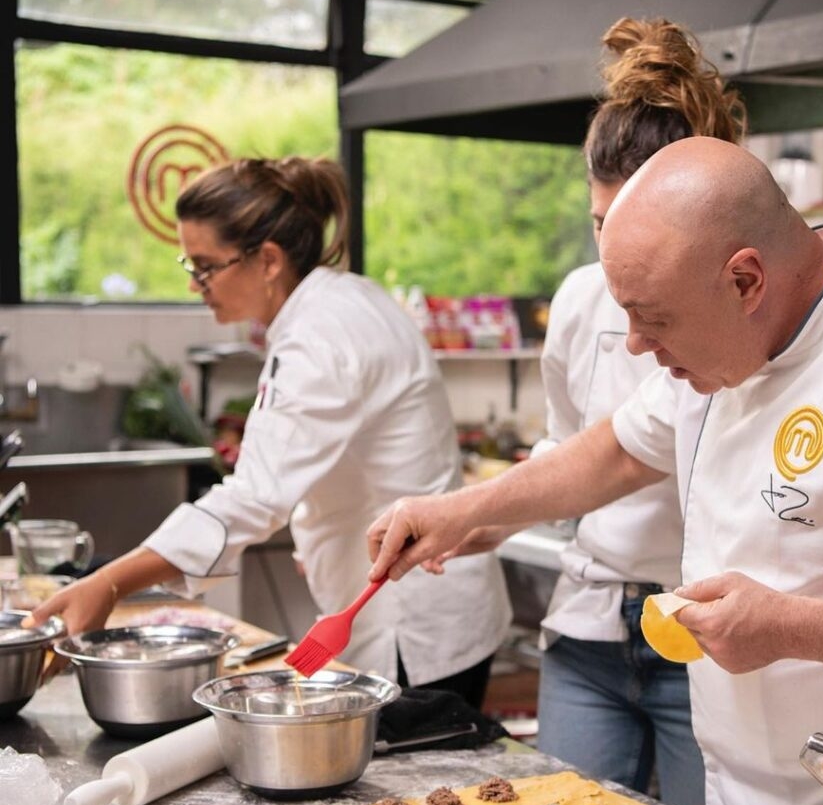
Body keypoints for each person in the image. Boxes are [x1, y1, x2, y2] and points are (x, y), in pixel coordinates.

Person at [368, 137, 823, 805]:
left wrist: (791, 627)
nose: (634, 345)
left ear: (745, 281)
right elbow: (617, 452)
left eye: (653, 318)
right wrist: (458, 512)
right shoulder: (714, 355)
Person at [32, 156, 511, 708]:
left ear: (267, 260)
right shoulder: (346, 298)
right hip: (421, 600)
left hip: (413, 624)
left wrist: (108, 583)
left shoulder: (320, 334)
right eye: (189, 265)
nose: (195, 285)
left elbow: (254, 497)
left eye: (206, 267)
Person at [522, 18, 743, 805]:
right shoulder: (582, 299)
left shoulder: (746, 313)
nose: (616, 259)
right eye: (598, 226)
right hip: (589, 627)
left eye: (636, 228)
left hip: (705, 638)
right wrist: (485, 513)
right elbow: (569, 440)